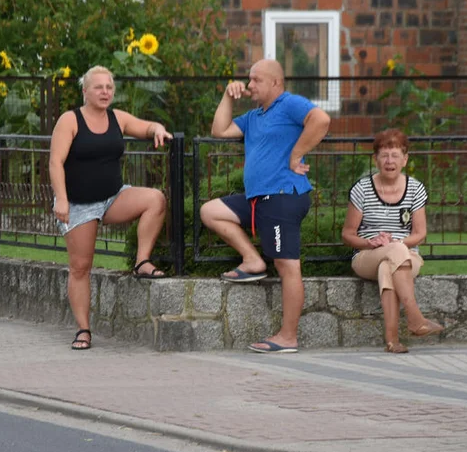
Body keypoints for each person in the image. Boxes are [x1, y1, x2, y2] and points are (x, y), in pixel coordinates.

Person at [199, 59, 331, 354]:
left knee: (287, 266)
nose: (249, 86)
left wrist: (297, 153)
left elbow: (321, 120)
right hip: (259, 199)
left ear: (275, 83)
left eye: (256, 80)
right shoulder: (254, 116)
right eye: (248, 80)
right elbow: (220, 130)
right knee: (210, 211)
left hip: (283, 195)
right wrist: (227, 96)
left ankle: (288, 337)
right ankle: (253, 261)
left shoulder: (289, 104)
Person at [49, 66, 173, 350]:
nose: (105, 92)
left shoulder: (118, 118)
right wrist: (62, 199)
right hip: (78, 205)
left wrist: (157, 129)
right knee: (81, 267)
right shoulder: (70, 120)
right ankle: (83, 330)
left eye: (109, 87)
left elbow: (145, 126)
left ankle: (142, 262)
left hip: (112, 198)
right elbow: (55, 162)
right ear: (85, 91)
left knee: (155, 199)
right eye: (98, 87)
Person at [342, 129, 444, 353]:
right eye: (384, 155)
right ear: (376, 159)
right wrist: (371, 243)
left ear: (405, 160)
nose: (390, 161)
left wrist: (397, 243)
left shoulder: (415, 189)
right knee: (390, 254)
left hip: (408, 256)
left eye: (395, 155)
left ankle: (392, 340)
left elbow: (420, 234)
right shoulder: (362, 189)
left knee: (389, 266)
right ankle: (415, 318)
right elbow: (348, 234)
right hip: (367, 255)